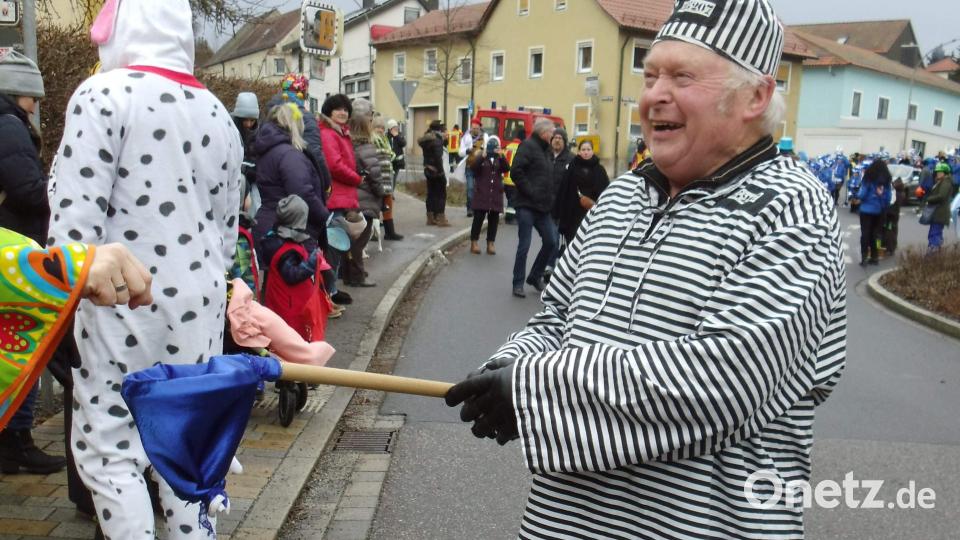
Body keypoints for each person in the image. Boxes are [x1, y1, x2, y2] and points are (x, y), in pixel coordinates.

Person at [445, 1, 847, 537]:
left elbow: (725, 379)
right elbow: (558, 319)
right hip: (563, 524)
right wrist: (505, 367)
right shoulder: (621, 197)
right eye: (651, 74)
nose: (655, 94)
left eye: (683, 76)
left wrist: (532, 388)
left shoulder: (793, 208)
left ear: (756, 96)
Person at [46, 1, 243, 537]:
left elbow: (74, 230)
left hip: (122, 299)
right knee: (187, 448)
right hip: (199, 303)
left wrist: (57, 289)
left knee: (111, 450)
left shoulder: (102, 95)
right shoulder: (218, 115)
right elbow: (227, 232)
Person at [0, 49, 66, 475]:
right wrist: (58, 192)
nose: (36, 105)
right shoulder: (9, 125)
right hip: (16, 246)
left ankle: (12, 441)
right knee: (23, 344)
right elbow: (27, 189)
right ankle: (17, 441)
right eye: (32, 97)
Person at [259, 195, 335, 339]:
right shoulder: (286, 250)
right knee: (292, 339)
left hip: (281, 302)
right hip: (290, 307)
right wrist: (313, 261)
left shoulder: (274, 240)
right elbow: (293, 275)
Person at [319, 94, 362, 305]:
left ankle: (331, 290)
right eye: (338, 109)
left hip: (341, 197)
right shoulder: (329, 134)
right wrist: (357, 178)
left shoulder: (340, 133)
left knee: (336, 247)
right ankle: (328, 293)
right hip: (334, 197)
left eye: (346, 109)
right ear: (329, 111)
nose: (343, 112)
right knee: (333, 249)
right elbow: (334, 165)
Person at [508, 118, 558, 298]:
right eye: (552, 132)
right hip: (526, 204)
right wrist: (531, 191)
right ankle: (518, 283)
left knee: (551, 241)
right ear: (543, 133)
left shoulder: (547, 151)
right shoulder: (527, 146)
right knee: (525, 244)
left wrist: (550, 197)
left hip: (543, 207)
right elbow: (516, 172)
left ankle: (535, 276)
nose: (553, 135)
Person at [265, 73, 332, 199]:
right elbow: (314, 152)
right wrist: (326, 183)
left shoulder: (269, 113)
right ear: (304, 93)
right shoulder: (305, 117)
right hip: (300, 179)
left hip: (271, 181)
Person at [344, 98, 384, 288]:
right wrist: (382, 193)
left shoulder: (346, 143)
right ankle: (358, 276)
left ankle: (348, 273)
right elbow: (375, 175)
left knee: (350, 240)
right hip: (365, 200)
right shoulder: (367, 146)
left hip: (351, 199)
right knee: (360, 241)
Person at [555, 139, 609, 247]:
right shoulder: (572, 167)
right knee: (573, 245)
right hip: (572, 214)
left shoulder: (600, 169)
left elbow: (606, 192)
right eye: (583, 149)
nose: (586, 152)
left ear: (592, 151)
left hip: (592, 214)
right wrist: (559, 214)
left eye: (588, 149)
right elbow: (564, 190)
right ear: (579, 151)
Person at [467, 136, 508, 255]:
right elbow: (473, 168)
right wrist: (482, 156)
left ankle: (490, 243)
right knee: (478, 218)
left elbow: (506, 169)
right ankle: (474, 242)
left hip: (495, 194)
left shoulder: (499, 159)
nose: (493, 149)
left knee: (494, 219)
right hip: (482, 193)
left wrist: (501, 155)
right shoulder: (481, 157)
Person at [545, 127, 573, 277]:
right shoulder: (545, 155)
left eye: (560, 138)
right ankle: (548, 263)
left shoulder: (570, 159)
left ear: (564, 141)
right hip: (544, 204)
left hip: (561, 205)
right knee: (548, 237)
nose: (557, 140)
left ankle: (549, 266)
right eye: (555, 138)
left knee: (554, 236)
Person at [855, 160, 892, 266]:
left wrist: (858, 196)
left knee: (865, 234)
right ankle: (874, 257)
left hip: (866, 210)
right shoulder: (886, 181)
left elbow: (862, 194)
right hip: (879, 211)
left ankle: (864, 257)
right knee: (875, 234)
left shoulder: (868, 178)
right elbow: (888, 197)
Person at [373, 115, 403, 241]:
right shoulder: (372, 140)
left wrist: (389, 155)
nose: (380, 130)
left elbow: (390, 154)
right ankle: (373, 233)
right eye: (377, 127)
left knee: (388, 204)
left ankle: (390, 232)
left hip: (387, 176)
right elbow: (381, 155)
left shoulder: (384, 139)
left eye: (382, 127)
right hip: (377, 177)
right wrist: (388, 155)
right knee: (375, 206)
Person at [418, 119, 450, 227]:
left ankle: (430, 218)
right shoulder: (437, 140)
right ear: (439, 130)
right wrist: (441, 173)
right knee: (441, 194)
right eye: (443, 130)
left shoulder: (427, 139)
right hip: (436, 171)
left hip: (428, 169)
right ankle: (441, 218)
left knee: (431, 194)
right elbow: (438, 158)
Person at [923, 162, 957, 252]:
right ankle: (936, 254)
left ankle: (932, 255)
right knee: (935, 233)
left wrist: (929, 199)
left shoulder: (946, 182)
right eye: (937, 172)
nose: (937, 173)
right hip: (938, 212)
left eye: (940, 172)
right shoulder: (941, 181)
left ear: (945, 173)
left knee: (934, 234)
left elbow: (941, 196)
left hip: (940, 213)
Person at [459, 119, 489, 216]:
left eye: (476, 128)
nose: (474, 130)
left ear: (480, 127)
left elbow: (489, 149)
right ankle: (470, 209)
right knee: (470, 188)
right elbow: (460, 152)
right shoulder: (466, 137)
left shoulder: (485, 137)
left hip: (481, 167)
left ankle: (478, 208)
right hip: (470, 166)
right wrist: (467, 151)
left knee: (480, 189)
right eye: (473, 128)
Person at [884, 174, 907, 257]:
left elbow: (890, 203)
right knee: (893, 230)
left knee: (889, 231)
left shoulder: (896, 194)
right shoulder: (901, 193)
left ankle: (890, 248)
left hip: (891, 215)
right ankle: (892, 246)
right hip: (895, 215)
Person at [386, 118, 406, 187]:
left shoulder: (399, 135)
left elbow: (403, 143)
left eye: (396, 127)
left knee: (394, 178)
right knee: (389, 178)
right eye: (394, 127)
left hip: (397, 162)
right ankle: (390, 191)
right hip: (389, 161)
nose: (396, 129)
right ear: (390, 128)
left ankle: (392, 191)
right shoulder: (386, 136)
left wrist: (397, 136)